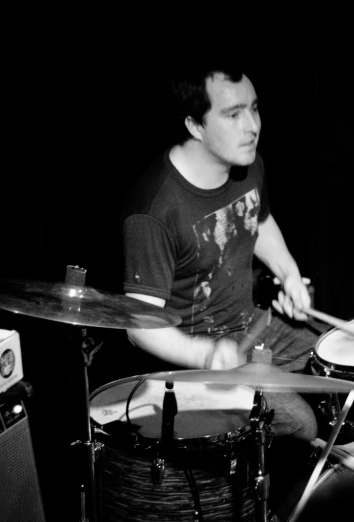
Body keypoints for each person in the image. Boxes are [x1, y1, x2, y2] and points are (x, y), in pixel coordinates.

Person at [120, 62, 324, 443]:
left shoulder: (247, 163)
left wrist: (290, 273)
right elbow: (138, 328)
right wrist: (205, 355)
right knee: (302, 423)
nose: (253, 126)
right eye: (233, 114)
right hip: (197, 363)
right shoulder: (153, 211)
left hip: (251, 327)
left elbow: (257, 219)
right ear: (195, 125)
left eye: (255, 108)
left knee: (341, 359)